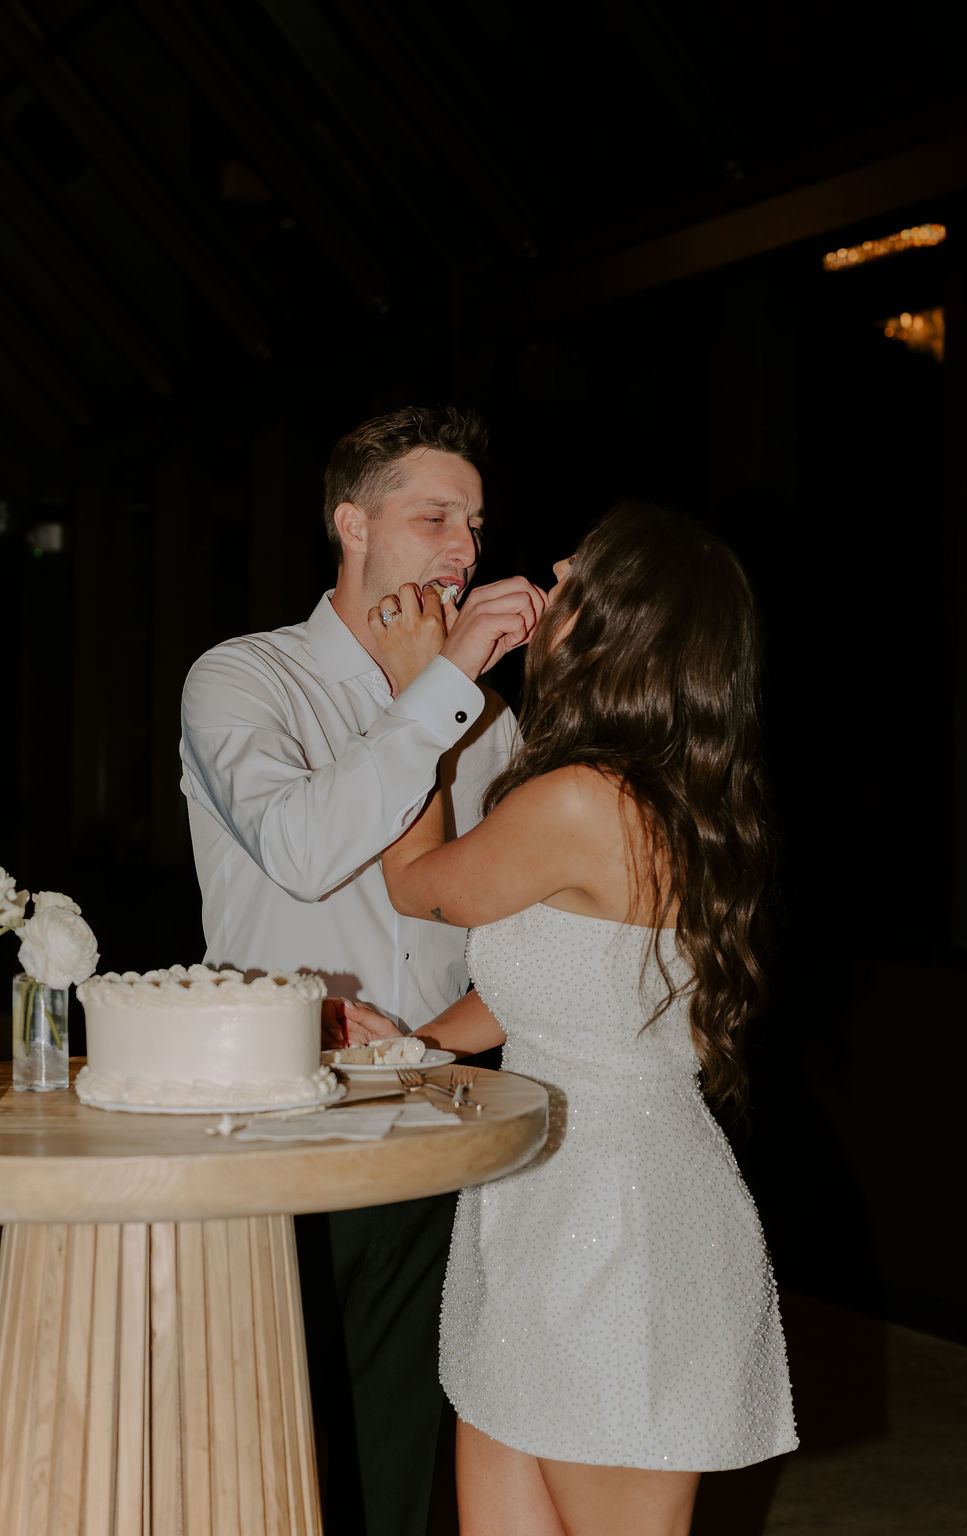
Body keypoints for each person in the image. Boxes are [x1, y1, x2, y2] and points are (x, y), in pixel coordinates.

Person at [356, 501, 800, 1536]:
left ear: (620, 626)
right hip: (535, 1209)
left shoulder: (584, 800)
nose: (547, 580)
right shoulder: (663, 795)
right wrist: (412, 1049)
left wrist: (427, 688)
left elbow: (415, 884)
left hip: (618, 1231)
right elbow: (553, 992)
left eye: (571, 577)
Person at [178, 405, 547, 1536]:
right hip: (270, 1123)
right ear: (350, 524)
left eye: (474, 524)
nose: (465, 550)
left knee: (396, 1457)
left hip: (433, 1116)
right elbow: (301, 851)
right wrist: (430, 689)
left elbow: (515, 925)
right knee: (257, 1454)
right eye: (435, 517)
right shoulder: (243, 679)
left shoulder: (488, 723)